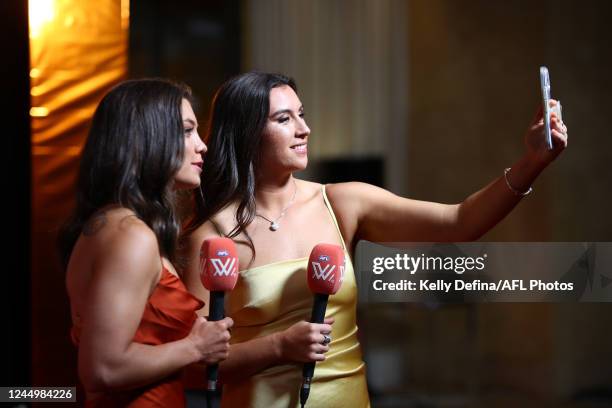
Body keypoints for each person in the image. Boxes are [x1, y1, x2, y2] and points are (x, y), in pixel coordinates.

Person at [181, 72, 568, 407]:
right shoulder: (213, 234)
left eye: (302, 114)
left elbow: (460, 221)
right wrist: (278, 348)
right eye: (285, 119)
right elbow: (195, 366)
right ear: (248, 134)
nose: (304, 129)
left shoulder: (342, 202)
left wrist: (531, 163)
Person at [60, 79, 233, 407]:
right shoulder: (129, 234)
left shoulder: (113, 224)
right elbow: (101, 368)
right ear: (148, 137)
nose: (202, 145)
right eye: (186, 131)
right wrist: (194, 347)